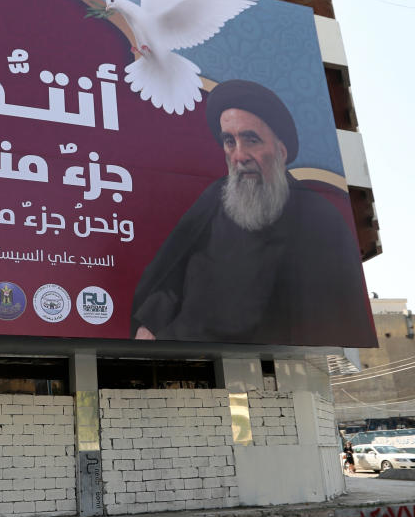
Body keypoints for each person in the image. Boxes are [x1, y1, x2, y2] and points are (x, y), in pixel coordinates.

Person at [130, 79, 372, 346]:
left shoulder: (319, 218)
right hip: (181, 346)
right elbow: (172, 271)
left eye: (251, 140)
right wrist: (149, 325)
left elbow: (330, 320)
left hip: (266, 360)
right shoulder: (215, 196)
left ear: (281, 150)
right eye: (229, 142)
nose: (239, 156)